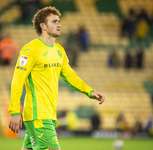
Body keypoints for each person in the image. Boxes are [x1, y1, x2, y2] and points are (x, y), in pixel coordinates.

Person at [8, 6, 105, 150]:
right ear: (43, 26)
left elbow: (71, 77)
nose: (59, 24)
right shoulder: (30, 50)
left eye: (59, 21)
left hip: (49, 114)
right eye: (54, 22)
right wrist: (15, 111)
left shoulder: (59, 51)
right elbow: (17, 81)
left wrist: (90, 91)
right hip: (38, 115)